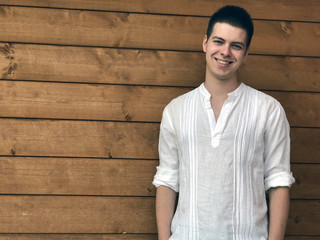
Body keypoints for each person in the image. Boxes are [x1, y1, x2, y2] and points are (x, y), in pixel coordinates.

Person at [152, 5, 295, 240]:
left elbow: (278, 181)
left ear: (246, 53)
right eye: (219, 41)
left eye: (236, 45)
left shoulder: (268, 110)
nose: (225, 52)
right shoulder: (175, 111)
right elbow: (167, 180)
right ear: (205, 43)